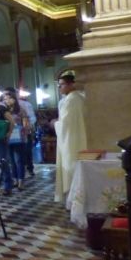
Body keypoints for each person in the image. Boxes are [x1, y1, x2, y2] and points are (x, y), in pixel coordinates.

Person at [54, 74, 87, 203]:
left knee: (70, 166)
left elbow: (66, 124)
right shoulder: (78, 97)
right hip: (75, 138)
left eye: (61, 85)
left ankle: (74, 200)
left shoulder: (71, 100)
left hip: (71, 140)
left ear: (71, 84)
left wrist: (55, 123)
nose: (59, 88)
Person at [6, 87, 37, 178]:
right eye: (6, 97)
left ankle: (29, 169)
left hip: (23, 132)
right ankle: (17, 175)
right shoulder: (5, 108)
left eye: (10, 96)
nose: (7, 99)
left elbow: (32, 117)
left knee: (26, 152)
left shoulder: (25, 104)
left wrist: (27, 128)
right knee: (13, 157)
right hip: (10, 134)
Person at [4, 91, 30, 193]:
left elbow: (25, 124)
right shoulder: (4, 111)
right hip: (8, 138)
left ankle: (21, 181)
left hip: (19, 137)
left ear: (14, 99)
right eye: (5, 99)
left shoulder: (20, 110)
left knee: (19, 160)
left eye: (8, 98)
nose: (6, 101)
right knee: (11, 161)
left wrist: (23, 129)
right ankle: (14, 179)